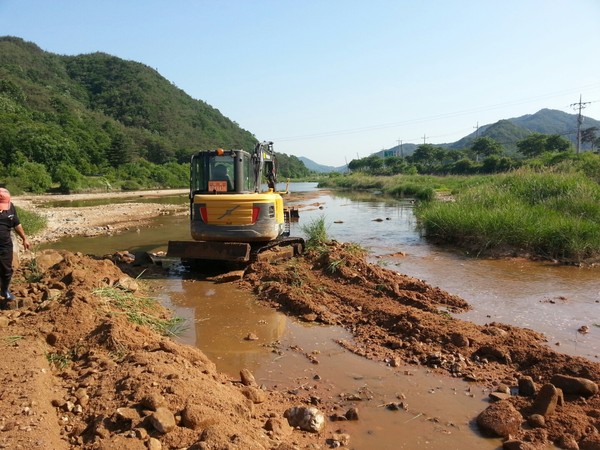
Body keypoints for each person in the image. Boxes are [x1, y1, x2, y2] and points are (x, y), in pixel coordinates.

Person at [0, 188, 30, 303]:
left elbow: (16, 223)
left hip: (5, 245)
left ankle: (4, 291)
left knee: (7, 270)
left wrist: (24, 238)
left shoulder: (10, 207)